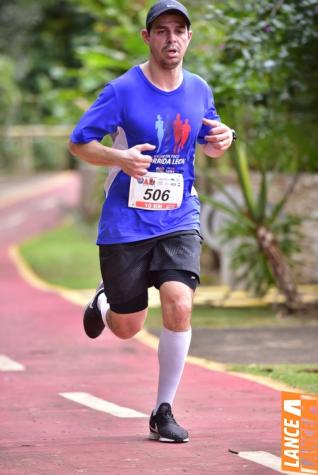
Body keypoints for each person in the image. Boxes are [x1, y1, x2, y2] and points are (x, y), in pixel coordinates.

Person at [69, 0, 235, 443]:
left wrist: (224, 136)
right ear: (147, 37)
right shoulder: (122, 90)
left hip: (179, 213)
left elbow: (212, 140)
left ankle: (163, 410)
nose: (171, 39)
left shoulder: (199, 87)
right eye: (161, 30)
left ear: (189, 37)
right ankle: (106, 303)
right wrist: (119, 157)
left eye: (179, 30)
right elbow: (79, 143)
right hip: (125, 221)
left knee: (180, 301)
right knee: (129, 327)